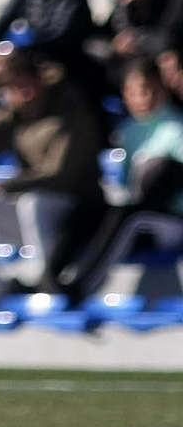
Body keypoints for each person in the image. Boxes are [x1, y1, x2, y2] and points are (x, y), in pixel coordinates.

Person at [0, 54, 108, 299]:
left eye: (27, 84)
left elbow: (59, 176)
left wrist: (0, 187)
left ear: (39, 79)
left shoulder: (69, 109)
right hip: (38, 216)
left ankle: (43, 283)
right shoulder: (17, 115)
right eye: (13, 88)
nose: (25, 93)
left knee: (33, 203)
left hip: (77, 213)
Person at [57, 58, 183, 303]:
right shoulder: (127, 131)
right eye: (136, 92)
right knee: (90, 209)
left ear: (163, 89)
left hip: (172, 221)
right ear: (126, 94)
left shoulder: (177, 128)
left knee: (131, 215)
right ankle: (50, 277)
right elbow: (126, 187)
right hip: (141, 217)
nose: (143, 98)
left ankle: (83, 286)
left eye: (150, 90)